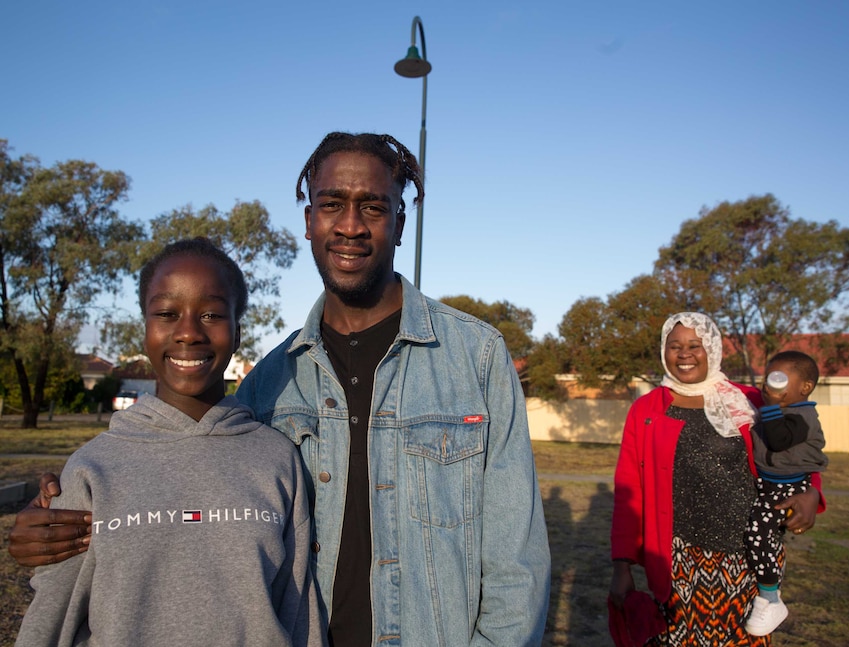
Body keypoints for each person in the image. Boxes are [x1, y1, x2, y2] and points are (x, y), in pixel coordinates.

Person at [9, 133, 552, 646]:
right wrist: (56, 516)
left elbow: (516, 565)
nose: (351, 225)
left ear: (400, 223)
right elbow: (194, 485)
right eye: (332, 204)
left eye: (373, 206)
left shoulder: (474, 358)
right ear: (309, 221)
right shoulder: (265, 384)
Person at [14, 238, 323, 647]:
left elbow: (298, 608)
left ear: (238, 330)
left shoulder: (276, 459)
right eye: (166, 313)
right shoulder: (93, 468)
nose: (189, 332)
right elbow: (54, 616)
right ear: (145, 326)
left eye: (212, 314)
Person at [608, 312, 824, 647]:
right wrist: (621, 566)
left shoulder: (750, 400)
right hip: (675, 559)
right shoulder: (647, 410)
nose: (684, 353)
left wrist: (811, 493)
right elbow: (628, 492)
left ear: (712, 348)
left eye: (695, 345)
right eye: (674, 346)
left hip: (745, 556)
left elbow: (798, 447)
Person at [743, 350, 828, 636]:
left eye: (779, 379)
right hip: (768, 484)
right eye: (769, 379)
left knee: (759, 534)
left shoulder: (802, 416)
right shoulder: (781, 411)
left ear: (804, 387)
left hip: (788, 486)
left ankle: (770, 597)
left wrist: (769, 406)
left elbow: (778, 441)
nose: (770, 386)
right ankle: (767, 593)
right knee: (759, 534)